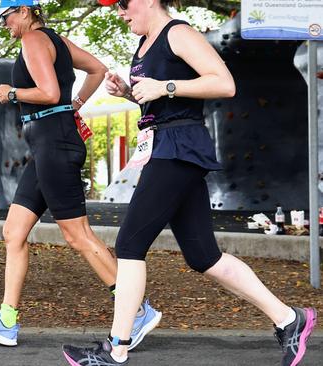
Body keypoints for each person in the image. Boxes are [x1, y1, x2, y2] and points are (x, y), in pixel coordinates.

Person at [61, 0, 318, 365]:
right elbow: (166, 100)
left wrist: (164, 86)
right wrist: (131, 94)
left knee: (130, 243)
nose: (118, 10)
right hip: (165, 145)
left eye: (122, 2)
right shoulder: (145, 44)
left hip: (178, 149)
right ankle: (290, 319)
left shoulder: (178, 33)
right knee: (204, 257)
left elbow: (224, 83)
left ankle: (115, 348)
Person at [0, 0, 161, 347]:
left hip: (54, 145)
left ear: (24, 11)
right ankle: (7, 321)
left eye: (6, 17)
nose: (3, 24)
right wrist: (76, 105)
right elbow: (97, 69)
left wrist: (13, 92)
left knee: (77, 235)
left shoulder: (34, 40)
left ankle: (138, 309)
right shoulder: (57, 40)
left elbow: (49, 92)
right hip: (48, 147)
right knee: (13, 231)